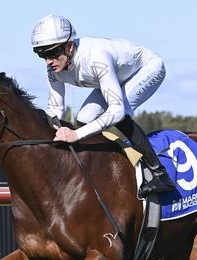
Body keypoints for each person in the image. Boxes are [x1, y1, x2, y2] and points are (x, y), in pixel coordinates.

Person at [31, 14, 175, 197]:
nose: (48, 61)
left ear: (69, 46)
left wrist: (75, 134)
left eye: (52, 53)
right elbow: (54, 111)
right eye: (42, 54)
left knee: (121, 115)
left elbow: (116, 111)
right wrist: (57, 130)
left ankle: (159, 174)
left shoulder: (97, 58)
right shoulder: (53, 70)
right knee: (84, 118)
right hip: (117, 76)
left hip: (147, 69)